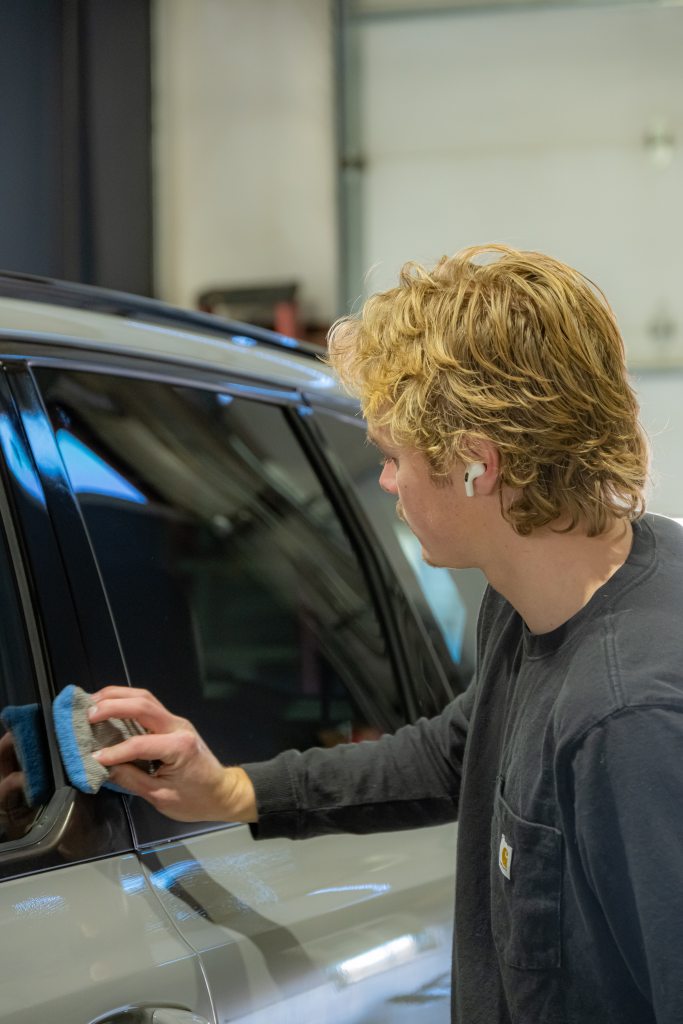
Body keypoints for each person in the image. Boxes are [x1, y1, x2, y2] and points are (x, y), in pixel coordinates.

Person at [88, 245, 683, 1024]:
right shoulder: (540, 595)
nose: (388, 482)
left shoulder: (627, 719)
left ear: (477, 465)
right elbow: (454, 753)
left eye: (393, 457)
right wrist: (230, 789)